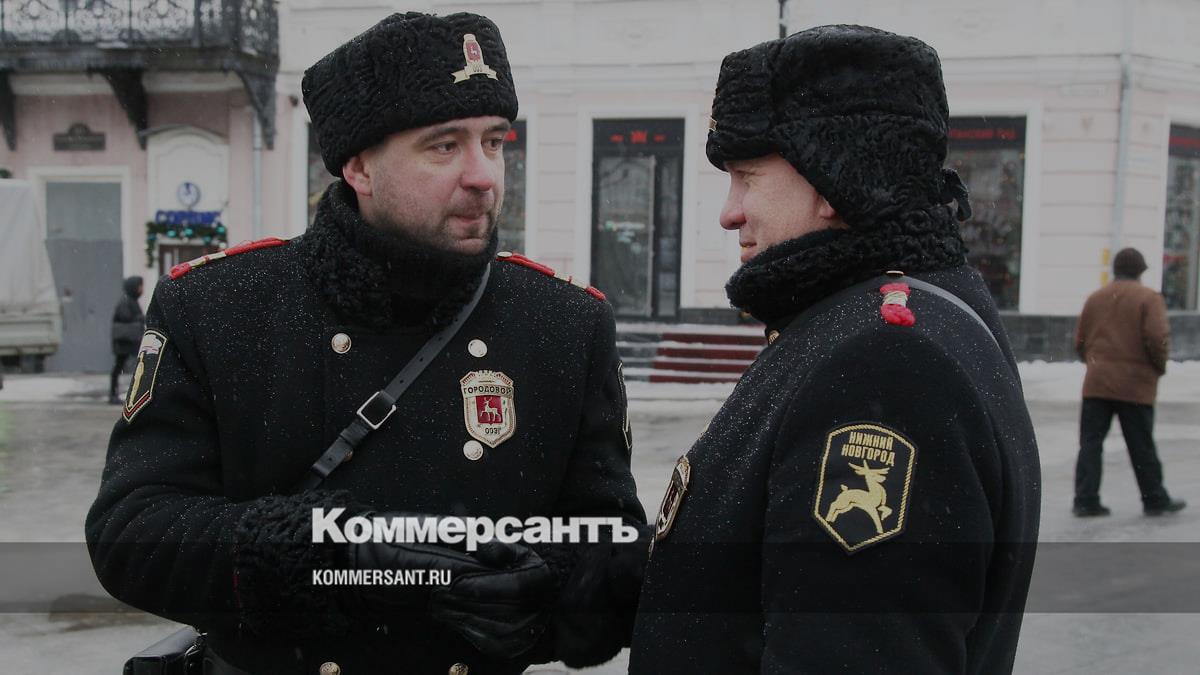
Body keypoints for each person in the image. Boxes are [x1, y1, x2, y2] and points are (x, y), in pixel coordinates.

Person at [86, 12, 647, 675]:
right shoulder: (218, 306)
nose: (484, 176)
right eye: (444, 146)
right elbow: (134, 531)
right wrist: (325, 555)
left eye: (494, 142)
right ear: (358, 167)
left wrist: (551, 593)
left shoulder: (564, 323)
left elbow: (612, 539)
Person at [630, 25, 1041, 674]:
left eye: (747, 177)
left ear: (834, 180)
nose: (729, 212)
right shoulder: (893, 316)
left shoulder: (885, 363)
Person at [1072, 247, 1186, 517]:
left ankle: (1086, 500)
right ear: (1140, 271)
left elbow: (1080, 339)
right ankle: (1154, 498)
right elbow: (1157, 337)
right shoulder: (1148, 298)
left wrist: (1095, 362)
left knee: (1090, 444)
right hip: (1134, 385)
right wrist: (1158, 366)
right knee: (1141, 445)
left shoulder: (1096, 298)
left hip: (1097, 383)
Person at [109, 275, 144, 404]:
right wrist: (141, 318)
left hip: (128, 340)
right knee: (120, 367)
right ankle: (114, 394)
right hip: (125, 340)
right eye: (140, 286)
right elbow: (126, 317)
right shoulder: (126, 301)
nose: (141, 289)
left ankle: (118, 394)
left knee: (124, 367)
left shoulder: (131, 300)